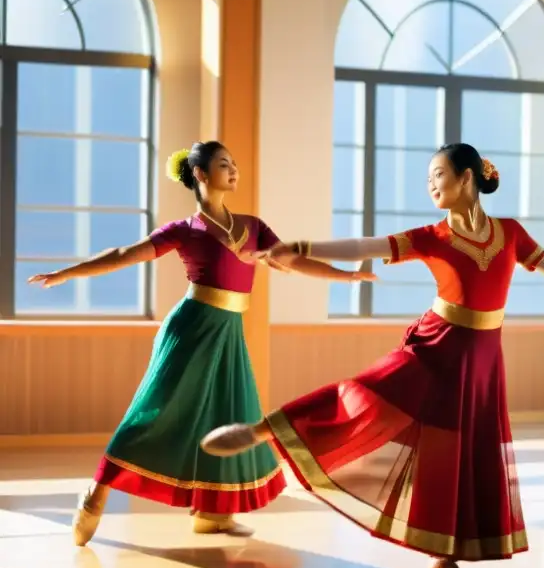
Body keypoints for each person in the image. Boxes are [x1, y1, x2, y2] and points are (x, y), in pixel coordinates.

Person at [201, 142, 544, 568]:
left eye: (437, 176)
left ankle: (441, 566)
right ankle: (262, 430)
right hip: (434, 347)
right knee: (364, 393)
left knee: (459, 460)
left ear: (467, 178)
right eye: (428, 180)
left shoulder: (510, 233)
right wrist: (301, 246)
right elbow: (367, 243)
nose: (431, 186)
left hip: (481, 362)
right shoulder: (432, 236)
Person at [28, 141, 374, 545]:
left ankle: (213, 514)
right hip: (191, 328)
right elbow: (125, 254)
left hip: (228, 331)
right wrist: (67, 274)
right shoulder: (184, 230)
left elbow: (291, 261)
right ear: (200, 175)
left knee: (226, 415)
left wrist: (346, 277)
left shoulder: (253, 226)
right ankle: (96, 492)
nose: (233, 169)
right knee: (155, 412)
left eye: (234, 163)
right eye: (223, 163)